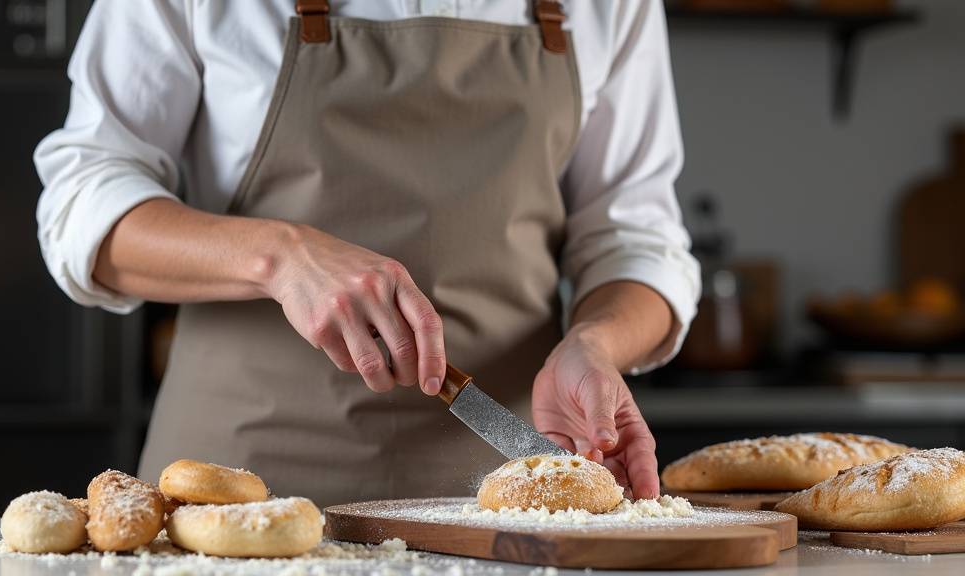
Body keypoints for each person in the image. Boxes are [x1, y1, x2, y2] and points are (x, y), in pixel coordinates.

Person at [35, 0, 699, 506]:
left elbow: (634, 235)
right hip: (237, 500)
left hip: (512, 498)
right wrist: (280, 255)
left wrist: (598, 344)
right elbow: (82, 203)